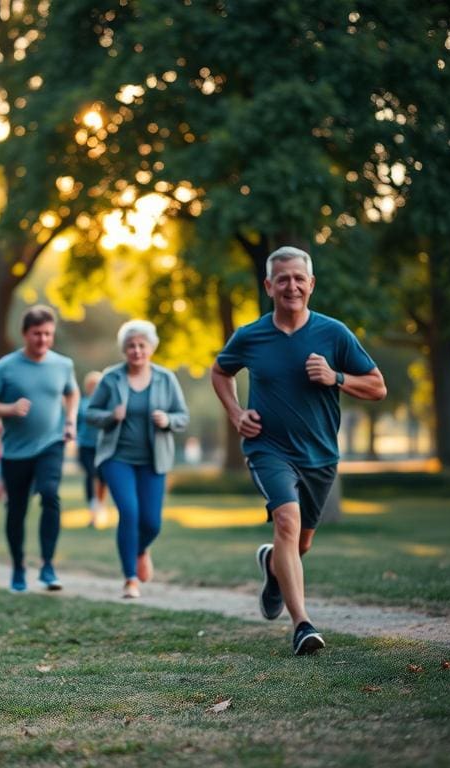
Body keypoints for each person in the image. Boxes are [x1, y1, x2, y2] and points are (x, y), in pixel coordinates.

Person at [210, 246, 386, 655]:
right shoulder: (250, 336)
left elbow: (377, 387)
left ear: (311, 284)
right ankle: (302, 625)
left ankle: (274, 567)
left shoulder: (334, 333)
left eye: (298, 278)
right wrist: (236, 414)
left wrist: (335, 376)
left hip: (320, 456)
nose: (291, 285)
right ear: (269, 286)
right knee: (287, 522)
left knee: (300, 543)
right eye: (283, 279)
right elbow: (220, 372)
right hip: (267, 448)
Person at [0, 305, 79, 593]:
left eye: (48, 334)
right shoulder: (6, 366)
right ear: (25, 334)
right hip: (15, 450)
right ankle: (18, 567)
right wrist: (9, 408)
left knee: (50, 494)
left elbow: (72, 392)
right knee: (17, 510)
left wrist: (70, 421)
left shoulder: (63, 365)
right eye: (37, 334)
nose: (43, 340)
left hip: (52, 443)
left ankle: (48, 566)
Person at [87, 321, 189, 598]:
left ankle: (141, 549)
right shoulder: (111, 378)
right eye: (131, 346)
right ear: (124, 350)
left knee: (152, 523)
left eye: (141, 345)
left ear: (151, 348)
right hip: (116, 457)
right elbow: (90, 412)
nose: (136, 350)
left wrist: (168, 419)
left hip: (154, 460)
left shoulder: (165, 378)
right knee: (129, 513)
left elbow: (183, 416)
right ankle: (130, 578)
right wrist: (110, 416)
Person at [76, 370, 108, 528]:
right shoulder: (81, 403)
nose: (93, 388)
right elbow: (74, 423)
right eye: (91, 385)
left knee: (103, 479)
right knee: (91, 474)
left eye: (96, 385)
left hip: (103, 447)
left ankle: (99, 508)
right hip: (85, 446)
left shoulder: (107, 403)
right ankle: (92, 508)